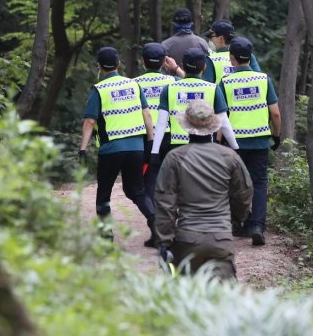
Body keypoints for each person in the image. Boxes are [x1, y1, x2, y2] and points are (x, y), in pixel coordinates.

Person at [154, 99, 253, 280]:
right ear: (214, 127)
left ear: (185, 126)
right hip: (221, 238)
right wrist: (235, 220)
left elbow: (165, 202)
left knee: (187, 299)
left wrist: (164, 241)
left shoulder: (174, 158)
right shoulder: (230, 157)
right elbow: (244, 193)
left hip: (187, 239)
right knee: (221, 300)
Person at [79, 46, 158, 244]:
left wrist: (82, 149)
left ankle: (106, 236)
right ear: (119, 64)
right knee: (137, 191)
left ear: (98, 66)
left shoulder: (99, 89)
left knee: (104, 194)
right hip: (136, 149)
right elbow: (147, 114)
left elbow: (90, 121)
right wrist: (150, 142)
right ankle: (155, 220)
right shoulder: (133, 85)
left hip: (111, 150)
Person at [217, 36, 281, 246]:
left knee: (234, 184)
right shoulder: (264, 79)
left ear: (231, 58)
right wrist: (276, 135)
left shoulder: (225, 83)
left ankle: (241, 222)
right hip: (260, 141)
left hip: (234, 143)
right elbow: (275, 113)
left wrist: (219, 142)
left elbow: (221, 116)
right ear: (250, 57)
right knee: (260, 182)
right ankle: (257, 226)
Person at [150, 47, 238, 161]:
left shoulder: (169, 89)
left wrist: (154, 151)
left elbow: (161, 123)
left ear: (182, 65)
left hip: (177, 148)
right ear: (204, 67)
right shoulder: (213, 88)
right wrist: (235, 147)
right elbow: (224, 123)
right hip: (205, 147)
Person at [133, 42, 180, 247]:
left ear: (142, 61)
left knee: (149, 184)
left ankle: (157, 231)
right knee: (174, 183)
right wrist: (176, 68)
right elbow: (197, 84)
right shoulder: (174, 81)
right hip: (172, 137)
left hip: (146, 139)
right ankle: (174, 229)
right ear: (163, 62)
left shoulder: (132, 84)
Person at [201, 19, 261, 84]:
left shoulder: (211, 60)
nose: (210, 40)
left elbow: (207, 87)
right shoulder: (246, 55)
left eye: (211, 37)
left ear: (221, 39)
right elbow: (258, 79)